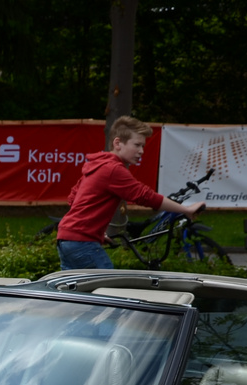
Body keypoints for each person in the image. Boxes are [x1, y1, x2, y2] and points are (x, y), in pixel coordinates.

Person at [56, 116, 205, 271]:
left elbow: (74, 198)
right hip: (82, 243)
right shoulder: (113, 169)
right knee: (108, 290)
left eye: (143, 146)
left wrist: (96, 233)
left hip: (67, 239)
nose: (141, 151)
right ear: (117, 143)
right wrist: (186, 210)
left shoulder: (98, 164)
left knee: (76, 292)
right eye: (137, 145)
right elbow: (144, 196)